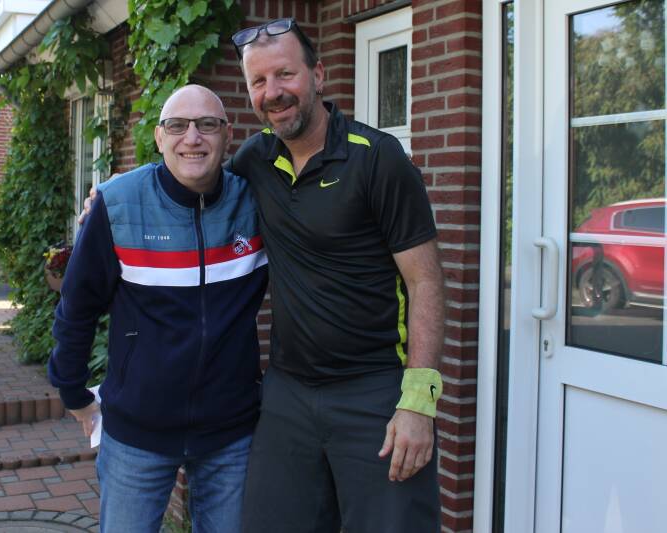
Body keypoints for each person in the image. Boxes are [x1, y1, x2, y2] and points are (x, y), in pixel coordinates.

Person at [227, 18, 445, 531]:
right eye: (259, 81)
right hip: (287, 395)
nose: (273, 92)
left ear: (318, 75)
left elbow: (426, 281)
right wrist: (112, 198)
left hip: (376, 395)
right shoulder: (255, 159)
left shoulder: (378, 159)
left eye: (285, 74)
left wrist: (419, 404)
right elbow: (191, 183)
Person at [48, 85, 268, 533]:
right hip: (136, 434)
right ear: (159, 136)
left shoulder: (257, 202)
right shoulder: (119, 203)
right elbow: (78, 305)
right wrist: (73, 393)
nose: (193, 137)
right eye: (178, 125)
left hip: (230, 433)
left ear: (227, 135)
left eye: (207, 125)